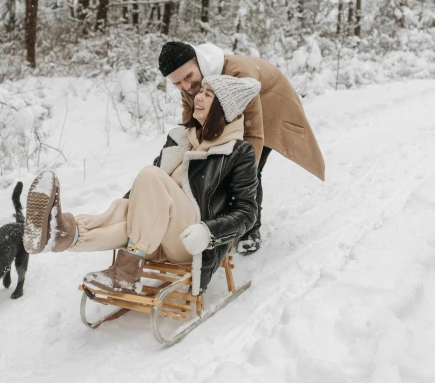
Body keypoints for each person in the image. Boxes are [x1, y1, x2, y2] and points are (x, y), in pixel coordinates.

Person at [22, 75, 261, 296]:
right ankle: (62, 233)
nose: (198, 96)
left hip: (191, 241)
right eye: (202, 91)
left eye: (208, 95)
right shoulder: (181, 139)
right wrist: (125, 207)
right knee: (125, 213)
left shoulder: (238, 152)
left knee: (150, 175)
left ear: (223, 109)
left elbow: (247, 211)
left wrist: (209, 233)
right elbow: (147, 193)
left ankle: (126, 272)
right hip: (156, 234)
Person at [158, 41, 325, 255]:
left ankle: (250, 229)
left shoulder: (238, 73)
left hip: (270, 103)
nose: (186, 87)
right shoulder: (189, 84)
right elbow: (190, 125)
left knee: (247, 167)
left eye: (188, 77)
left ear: (199, 62)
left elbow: (254, 132)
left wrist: (247, 172)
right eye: (177, 84)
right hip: (235, 106)